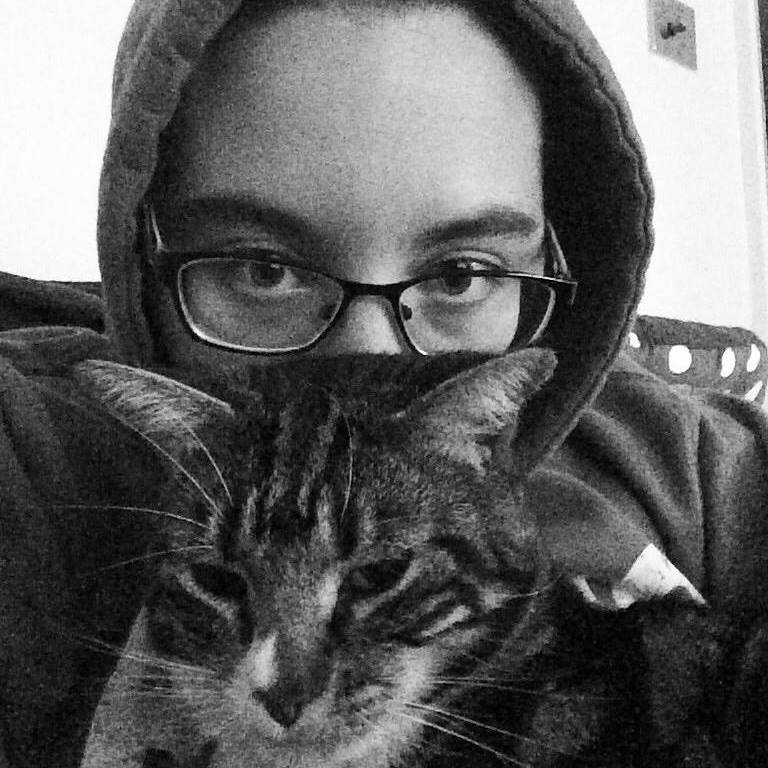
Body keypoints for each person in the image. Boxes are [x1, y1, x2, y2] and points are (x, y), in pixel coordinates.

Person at [2, 0, 768, 765]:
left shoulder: (692, 456)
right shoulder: (38, 459)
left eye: (462, 273)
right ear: (141, 262)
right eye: (261, 269)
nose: (366, 351)